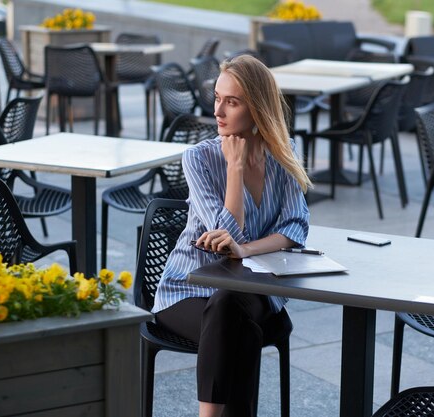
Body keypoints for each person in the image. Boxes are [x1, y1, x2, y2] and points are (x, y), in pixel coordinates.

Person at [152, 54, 312, 417]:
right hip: (186, 289)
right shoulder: (199, 158)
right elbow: (223, 235)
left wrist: (245, 249)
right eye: (217, 98)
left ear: (257, 108)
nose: (218, 111)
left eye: (233, 101)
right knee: (237, 323)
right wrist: (235, 169)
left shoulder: (283, 157)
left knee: (231, 306)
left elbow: (295, 228)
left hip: (256, 289)